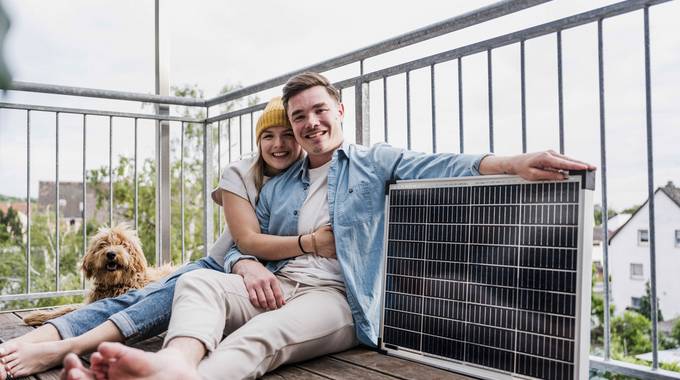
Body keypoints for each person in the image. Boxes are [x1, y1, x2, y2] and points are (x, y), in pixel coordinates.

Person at [60, 72, 596, 380]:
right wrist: (245, 261)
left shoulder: (374, 161)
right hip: (281, 282)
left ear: (340, 109)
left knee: (259, 336)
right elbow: (230, 248)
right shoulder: (284, 182)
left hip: (340, 296)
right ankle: (175, 362)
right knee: (200, 281)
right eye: (298, 117)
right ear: (291, 127)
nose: (310, 122)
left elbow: (445, 165)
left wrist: (515, 162)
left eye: (319, 110)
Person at [0, 97, 334, 380]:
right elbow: (243, 241)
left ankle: (60, 346)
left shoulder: (306, 180)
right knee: (139, 299)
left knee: (150, 298)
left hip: (243, 277)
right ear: (258, 141)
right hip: (219, 264)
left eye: (288, 135)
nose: (279, 144)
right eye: (269, 136)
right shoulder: (242, 172)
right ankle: (42, 343)